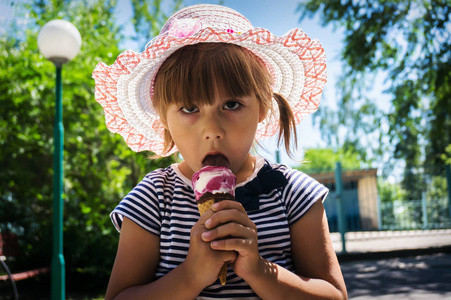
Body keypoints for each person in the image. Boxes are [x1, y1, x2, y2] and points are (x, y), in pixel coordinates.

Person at [93, 4, 347, 300]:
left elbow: (334, 296)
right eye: (190, 109)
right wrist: (190, 276)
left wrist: (259, 270)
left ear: (262, 107)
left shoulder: (292, 193)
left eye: (231, 105)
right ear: (164, 119)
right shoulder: (153, 198)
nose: (212, 129)